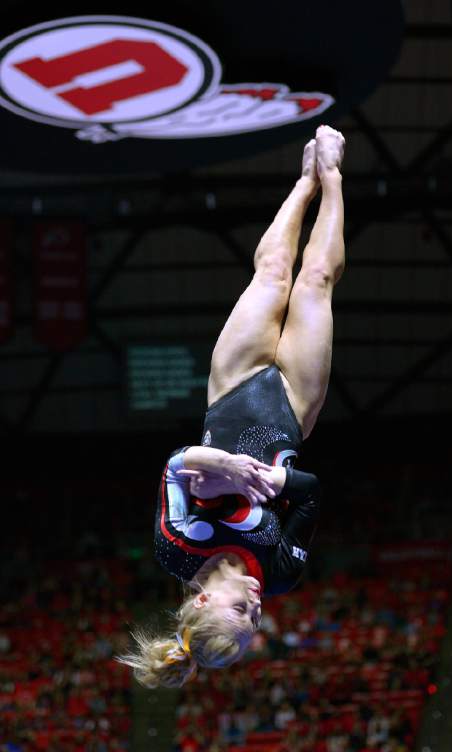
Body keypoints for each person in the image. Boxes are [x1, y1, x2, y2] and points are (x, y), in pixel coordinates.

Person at [118, 125, 346, 687]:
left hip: (232, 392)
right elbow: (311, 492)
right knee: (316, 281)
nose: (258, 608)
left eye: (241, 614)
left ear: (198, 603)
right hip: (294, 408)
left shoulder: (176, 548)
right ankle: (334, 176)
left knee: (271, 273)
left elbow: (175, 465)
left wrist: (223, 466)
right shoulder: (281, 572)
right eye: (257, 622)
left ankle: (302, 182)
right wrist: (275, 481)